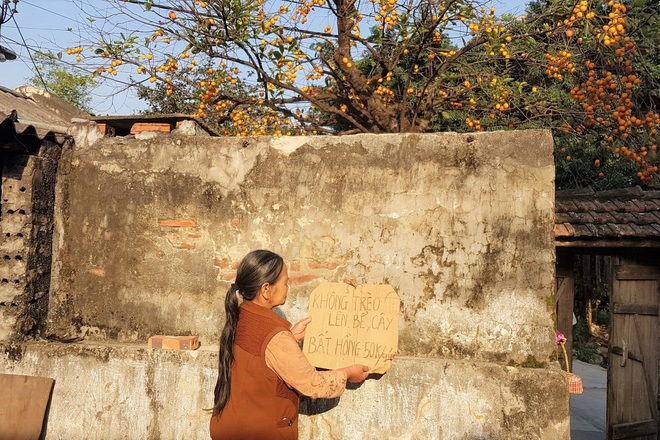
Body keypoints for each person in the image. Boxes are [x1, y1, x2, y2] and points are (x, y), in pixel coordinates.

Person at [209, 249, 370, 440]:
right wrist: (348, 373)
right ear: (266, 289)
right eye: (285, 282)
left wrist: (290, 338)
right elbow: (312, 384)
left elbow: (259, 360)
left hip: (229, 427)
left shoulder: (242, 315)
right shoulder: (275, 336)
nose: (288, 287)